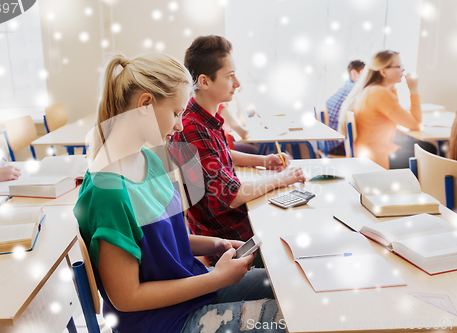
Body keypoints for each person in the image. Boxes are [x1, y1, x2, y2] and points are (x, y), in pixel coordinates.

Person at [74, 52, 286, 333]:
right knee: (290, 318)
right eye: (176, 113)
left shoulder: (149, 160)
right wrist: (216, 279)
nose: (180, 124)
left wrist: (215, 244)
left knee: (284, 285)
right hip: (162, 322)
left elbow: (160, 238)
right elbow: (126, 298)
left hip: (188, 294)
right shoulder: (108, 192)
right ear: (145, 104)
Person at [169, 35, 306, 261]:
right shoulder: (192, 128)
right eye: (230, 76)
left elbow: (217, 153)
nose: (238, 83)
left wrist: (263, 161)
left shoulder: (201, 117)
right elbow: (230, 195)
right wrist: (283, 178)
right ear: (204, 81)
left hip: (233, 226)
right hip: (231, 239)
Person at [338, 50, 436, 169]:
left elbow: (395, 112)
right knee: (429, 152)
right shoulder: (380, 93)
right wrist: (414, 90)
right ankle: (419, 186)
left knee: (427, 147)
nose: (403, 70)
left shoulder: (371, 90)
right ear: (384, 71)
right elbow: (415, 124)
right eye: (399, 66)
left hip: (367, 152)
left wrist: (392, 86)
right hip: (376, 158)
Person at [324, 60, 365, 156]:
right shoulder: (355, 90)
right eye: (365, 73)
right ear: (354, 74)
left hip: (328, 143)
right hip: (337, 144)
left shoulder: (346, 87)